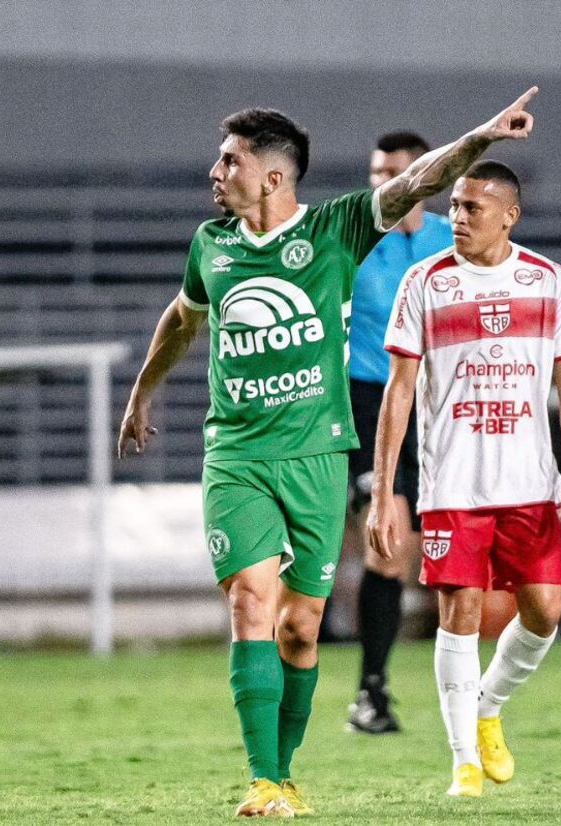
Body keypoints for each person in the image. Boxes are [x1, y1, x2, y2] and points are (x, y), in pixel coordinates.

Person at [118, 88, 539, 818]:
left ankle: (284, 772)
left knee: (300, 627)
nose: (215, 171)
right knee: (251, 601)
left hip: (318, 454)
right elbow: (183, 319)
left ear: (274, 176)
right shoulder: (210, 244)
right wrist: (141, 394)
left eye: (230, 160)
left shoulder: (336, 228)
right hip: (237, 455)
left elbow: (422, 180)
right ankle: (262, 779)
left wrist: (481, 138)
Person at [368, 159, 561, 798]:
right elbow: (399, 391)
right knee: (460, 611)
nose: (457, 217)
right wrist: (384, 491)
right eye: (455, 205)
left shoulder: (548, 280)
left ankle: (488, 707)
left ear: (509, 216)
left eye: (472, 207)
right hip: (453, 483)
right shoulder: (425, 282)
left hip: (530, 483)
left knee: (545, 611)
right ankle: (464, 762)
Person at [345, 131, 453, 735]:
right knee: (387, 541)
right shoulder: (354, 239)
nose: (381, 183)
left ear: (425, 177)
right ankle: (370, 689)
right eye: (375, 172)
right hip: (366, 402)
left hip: (436, 406)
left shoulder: (453, 238)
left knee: (418, 550)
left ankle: (390, 688)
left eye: (393, 173)